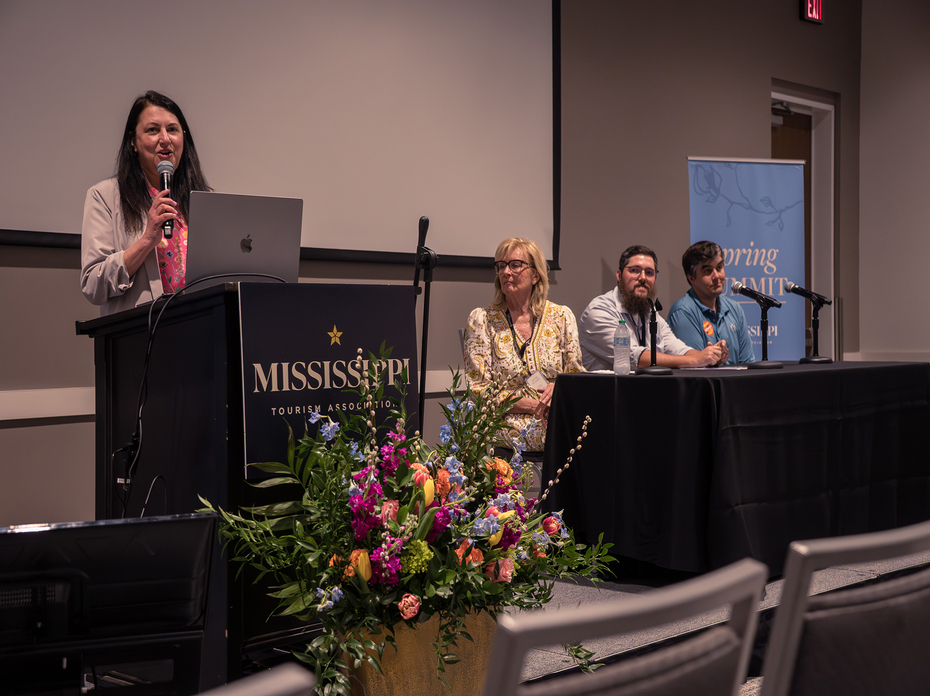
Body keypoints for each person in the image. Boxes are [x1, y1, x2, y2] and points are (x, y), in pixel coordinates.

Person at [81, 91, 210, 315]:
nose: (165, 139)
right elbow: (93, 285)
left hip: (201, 325)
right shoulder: (105, 196)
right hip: (142, 335)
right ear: (133, 141)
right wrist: (148, 239)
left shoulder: (204, 201)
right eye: (152, 130)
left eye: (172, 129)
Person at [464, 237, 584, 465]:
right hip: (505, 420)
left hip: (555, 414)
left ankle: (564, 501)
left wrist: (557, 389)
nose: (506, 272)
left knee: (590, 430)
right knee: (572, 437)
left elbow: (576, 375)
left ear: (536, 275)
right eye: (501, 266)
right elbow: (478, 389)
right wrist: (532, 406)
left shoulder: (561, 317)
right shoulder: (482, 319)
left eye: (515, 265)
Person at [578, 245, 727, 371]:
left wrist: (710, 357)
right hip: (606, 399)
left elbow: (677, 349)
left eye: (649, 273)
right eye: (635, 270)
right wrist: (696, 360)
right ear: (619, 275)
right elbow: (634, 357)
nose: (643, 278)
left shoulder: (650, 313)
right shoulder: (599, 311)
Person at [667, 241, 755, 364]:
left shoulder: (735, 308)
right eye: (708, 271)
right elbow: (695, 367)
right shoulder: (683, 312)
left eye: (719, 268)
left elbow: (747, 364)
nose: (716, 276)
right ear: (691, 278)